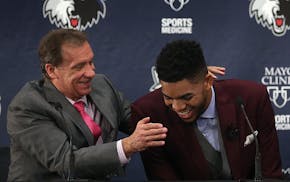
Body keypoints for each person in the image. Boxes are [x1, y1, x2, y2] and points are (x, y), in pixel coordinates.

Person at [6, 29, 169, 181]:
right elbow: (66, 162)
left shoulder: (101, 85)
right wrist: (127, 145)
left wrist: (176, 103)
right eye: (79, 66)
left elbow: (139, 119)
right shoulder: (28, 106)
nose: (91, 73)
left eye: (90, 62)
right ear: (51, 70)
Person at [130, 39, 283, 180]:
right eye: (168, 97)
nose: (177, 107)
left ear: (208, 81)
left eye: (187, 97)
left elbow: (270, 174)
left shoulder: (252, 98)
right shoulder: (150, 113)